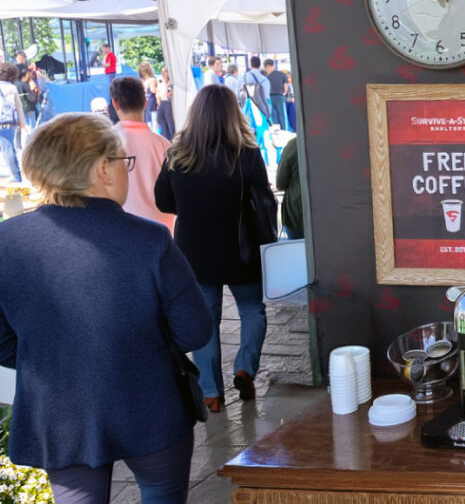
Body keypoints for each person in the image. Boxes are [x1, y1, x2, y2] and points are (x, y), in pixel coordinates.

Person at [0, 112, 212, 502]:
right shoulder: (150, 240)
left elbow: (2, 342)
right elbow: (195, 331)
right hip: (150, 404)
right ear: (103, 170)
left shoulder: (5, 241)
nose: (126, 171)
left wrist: (55, 355)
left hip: (60, 414)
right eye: (123, 161)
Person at [155, 84, 272, 412]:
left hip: (194, 253)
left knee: (205, 319)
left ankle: (210, 392)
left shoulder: (177, 155)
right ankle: (244, 367)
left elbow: (162, 200)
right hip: (241, 250)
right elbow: (263, 200)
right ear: (233, 114)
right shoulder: (247, 154)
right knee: (252, 310)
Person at [110, 76, 175, 233]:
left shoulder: (104, 145)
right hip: (163, 233)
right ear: (145, 102)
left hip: (120, 233)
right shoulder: (165, 146)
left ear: (114, 103)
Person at [0, 62, 28, 183]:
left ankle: (16, 177)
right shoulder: (12, 87)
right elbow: (19, 106)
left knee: (7, 150)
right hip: (9, 122)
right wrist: (22, 123)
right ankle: (15, 176)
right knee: (9, 150)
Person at [276, 136, 304, 239]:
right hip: (330, 212)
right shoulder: (332, 142)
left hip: (297, 214)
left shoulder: (294, 145)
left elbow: (280, 183)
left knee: (298, 252)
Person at [265, 59, 288, 129]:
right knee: (282, 115)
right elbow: (286, 88)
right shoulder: (282, 74)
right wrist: (284, 93)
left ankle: (276, 131)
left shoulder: (266, 77)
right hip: (280, 97)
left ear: (267, 66)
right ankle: (285, 130)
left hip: (270, 97)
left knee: (272, 116)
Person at [156, 67, 176, 141]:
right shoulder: (160, 84)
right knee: (162, 125)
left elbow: (170, 94)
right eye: (162, 72)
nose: (163, 74)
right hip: (162, 105)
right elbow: (158, 96)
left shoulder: (171, 84)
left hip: (168, 104)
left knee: (171, 126)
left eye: (165, 72)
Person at [138, 61, 159, 129]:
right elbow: (153, 90)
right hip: (152, 104)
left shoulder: (142, 81)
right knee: (154, 122)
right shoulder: (152, 80)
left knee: (148, 121)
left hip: (145, 104)